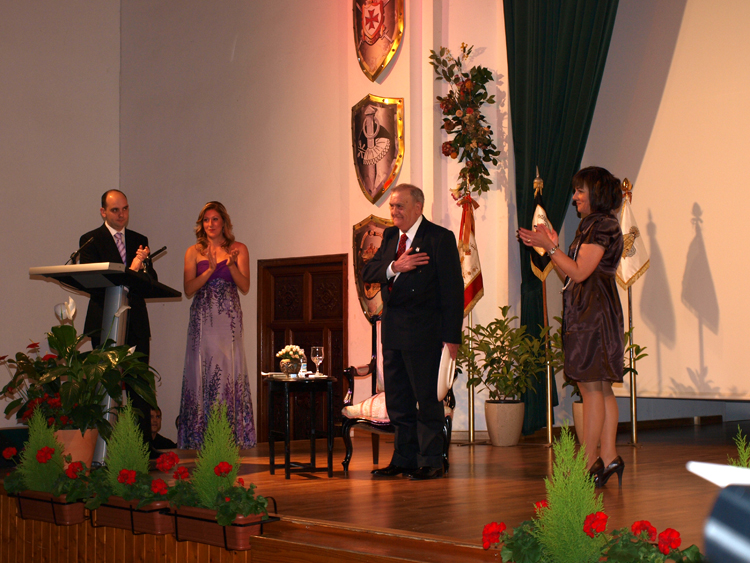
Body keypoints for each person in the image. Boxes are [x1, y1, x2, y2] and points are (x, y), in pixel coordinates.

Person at [518, 166, 625, 487]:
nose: (575, 197)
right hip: (589, 310)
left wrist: (550, 247)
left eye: (580, 191)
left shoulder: (602, 225)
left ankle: (588, 462)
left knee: (592, 388)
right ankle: (609, 457)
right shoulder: (591, 225)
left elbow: (579, 273)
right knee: (600, 388)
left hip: (594, 314)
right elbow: (570, 275)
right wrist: (554, 247)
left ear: (597, 193)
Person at [362, 184, 464, 480]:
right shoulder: (390, 237)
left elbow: (453, 291)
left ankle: (431, 461)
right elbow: (369, 272)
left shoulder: (439, 238)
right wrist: (395, 266)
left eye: (400, 206)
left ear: (418, 207)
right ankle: (404, 459)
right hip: (393, 331)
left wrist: (452, 338)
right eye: (392, 206)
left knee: (427, 399)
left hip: (425, 333)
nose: (394, 211)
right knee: (398, 401)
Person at [79, 189, 157, 451]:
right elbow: (92, 282)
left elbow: (151, 280)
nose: (121, 214)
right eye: (115, 210)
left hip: (135, 322)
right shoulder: (91, 240)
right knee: (106, 384)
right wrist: (130, 270)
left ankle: (143, 448)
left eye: (125, 209)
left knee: (139, 385)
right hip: (105, 321)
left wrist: (140, 270)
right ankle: (103, 448)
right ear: (103, 212)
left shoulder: (139, 240)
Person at [177, 201, 256, 449]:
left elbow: (245, 286)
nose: (210, 224)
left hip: (228, 319)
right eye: (206, 220)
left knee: (229, 369)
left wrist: (230, 265)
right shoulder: (193, 251)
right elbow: (189, 289)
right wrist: (209, 270)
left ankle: (231, 435)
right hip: (202, 318)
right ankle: (199, 437)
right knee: (202, 369)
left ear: (224, 223)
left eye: (215, 219)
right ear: (201, 224)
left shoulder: (239, 249)